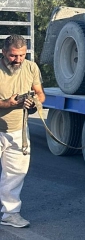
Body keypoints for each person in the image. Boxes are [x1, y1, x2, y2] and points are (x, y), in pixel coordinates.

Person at [0, 35, 45, 228]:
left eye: (21, 55)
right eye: (13, 56)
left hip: (19, 129)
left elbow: (40, 94)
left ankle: (10, 214)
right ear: (3, 52)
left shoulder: (31, 67)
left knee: (15, 173)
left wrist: (33, 103)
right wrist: (6, 103)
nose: (18, 60)